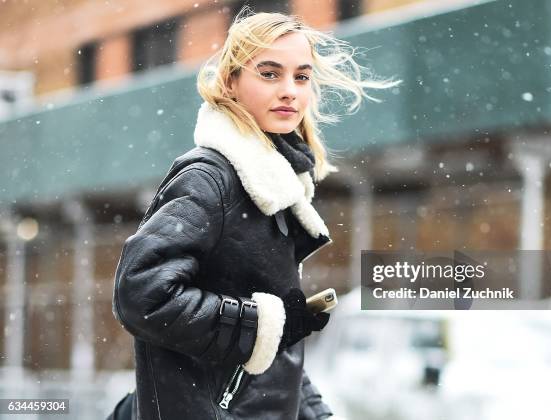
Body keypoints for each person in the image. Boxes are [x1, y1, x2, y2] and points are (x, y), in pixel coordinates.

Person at [107, 6, 400, 420]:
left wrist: (317, 412)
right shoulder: (210, 178)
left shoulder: (273, 185)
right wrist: (260, 324)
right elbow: (141, 294)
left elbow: (276, 354)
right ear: (231, 82)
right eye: (269, 73)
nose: (289, 90)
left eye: (301, 76)